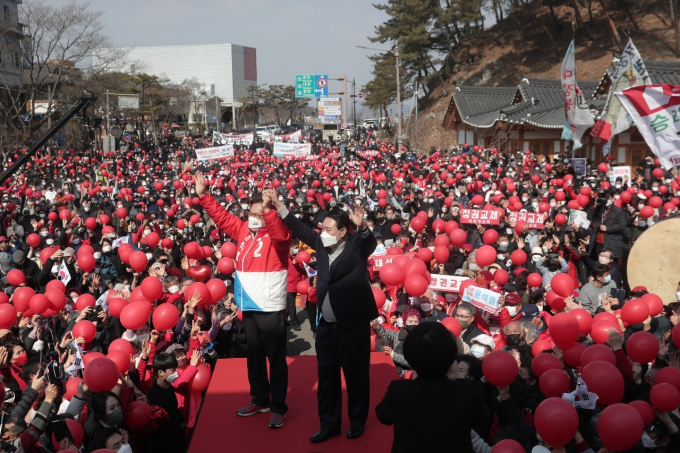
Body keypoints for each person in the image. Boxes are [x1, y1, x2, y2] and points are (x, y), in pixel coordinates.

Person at [268, 189, 377, 443]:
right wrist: (279, 205)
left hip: (353, 326)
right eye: (323, 227)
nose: (323, 232)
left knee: (356, 378)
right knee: (327, 380)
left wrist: (362, 229)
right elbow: (299, 227)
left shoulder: (356, 245)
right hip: (327, 327)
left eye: (329, 229)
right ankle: (329, 425)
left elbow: (369, 243)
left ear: (342, 232)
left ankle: (357, 422)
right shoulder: (319, 241)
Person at [195, 172, 291, 429]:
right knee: (254, 356)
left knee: (276, 359)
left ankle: (278, 407)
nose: (255, 218)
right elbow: (223, 217)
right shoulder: (243, 230)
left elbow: (282, 237)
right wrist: (204, 195)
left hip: (270, 307)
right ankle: (260, 398)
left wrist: (272, 212)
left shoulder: (278, 237)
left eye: (261, 214)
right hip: (248, 305)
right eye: (252, 213)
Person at [375, 322, 489, 452]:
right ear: (451, 356)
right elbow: (483, 419)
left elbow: (383, 416)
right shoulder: (465, 389)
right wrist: (458, 374)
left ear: (408, 355)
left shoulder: (399, 390)